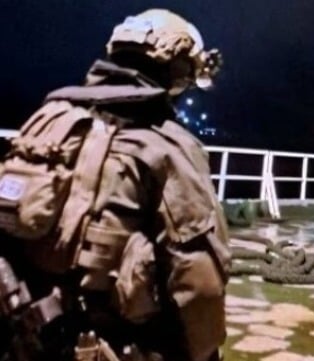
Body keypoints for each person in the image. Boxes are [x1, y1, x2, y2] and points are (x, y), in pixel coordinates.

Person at [0, 9, 230, 361]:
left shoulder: (48, 118)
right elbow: (197, 279)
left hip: (24, 335)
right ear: (177, 68)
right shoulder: (168, 145)